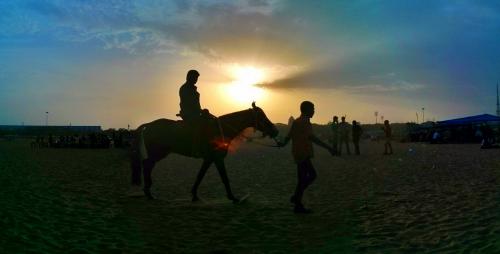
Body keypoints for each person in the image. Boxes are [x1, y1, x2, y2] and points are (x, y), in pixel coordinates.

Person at [278, 101, 335, 214]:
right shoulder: (304, 122)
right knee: (311, 176)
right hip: (303, 153)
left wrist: (283, 143)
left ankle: (297, 199)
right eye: (312, 109)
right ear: (307, 110)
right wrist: (328, 147)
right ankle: (297, 200)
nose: (314, 111)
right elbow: (312, 138)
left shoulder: (297, 122)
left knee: (302, 179)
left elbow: (288, 136)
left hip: (299, 153)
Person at [178, 70, 214, 156]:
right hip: (189, 114)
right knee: (200, 125)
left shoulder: (191, 88)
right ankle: (195, 148)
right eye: (195, 78)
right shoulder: (185, 88)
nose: (196, 80)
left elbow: (195, 104)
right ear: (189, 77)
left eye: (197, 78)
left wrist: (202, 111)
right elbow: (189, 103)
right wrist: (200, 111)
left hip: (195, 113)